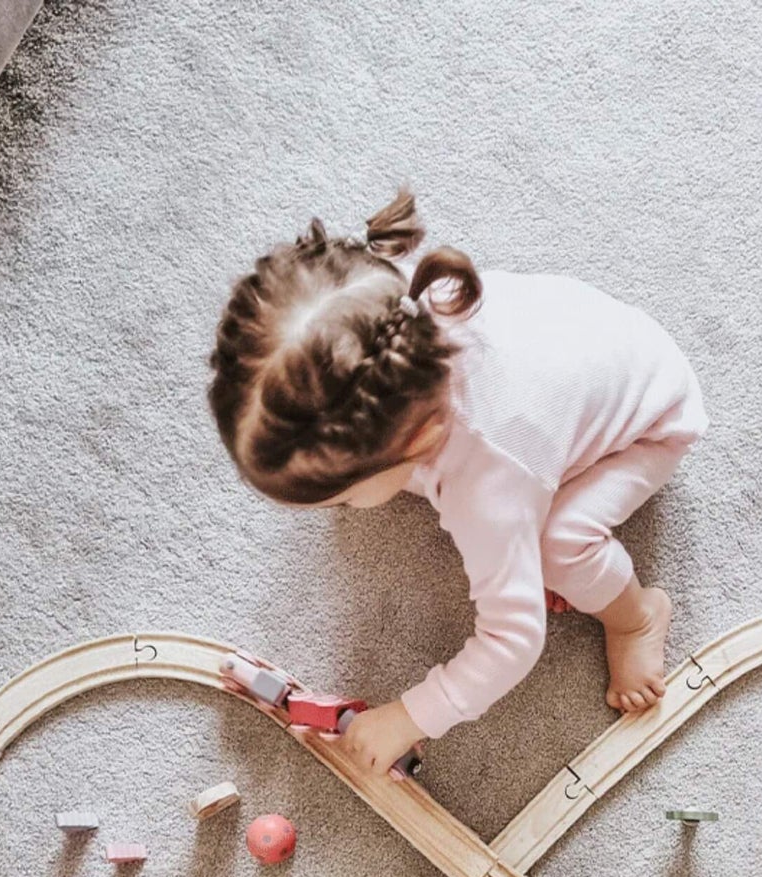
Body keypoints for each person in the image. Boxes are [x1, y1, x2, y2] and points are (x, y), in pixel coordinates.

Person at [207, 186, 709, 774]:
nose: (332, 508)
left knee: (560, 546)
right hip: (588, 349)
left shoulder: (487, 484)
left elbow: (513, 641)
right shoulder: (384, 306)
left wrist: (410, 716)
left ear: (416, 446)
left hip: (650, 422)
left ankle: (637, 615)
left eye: (338, 495)